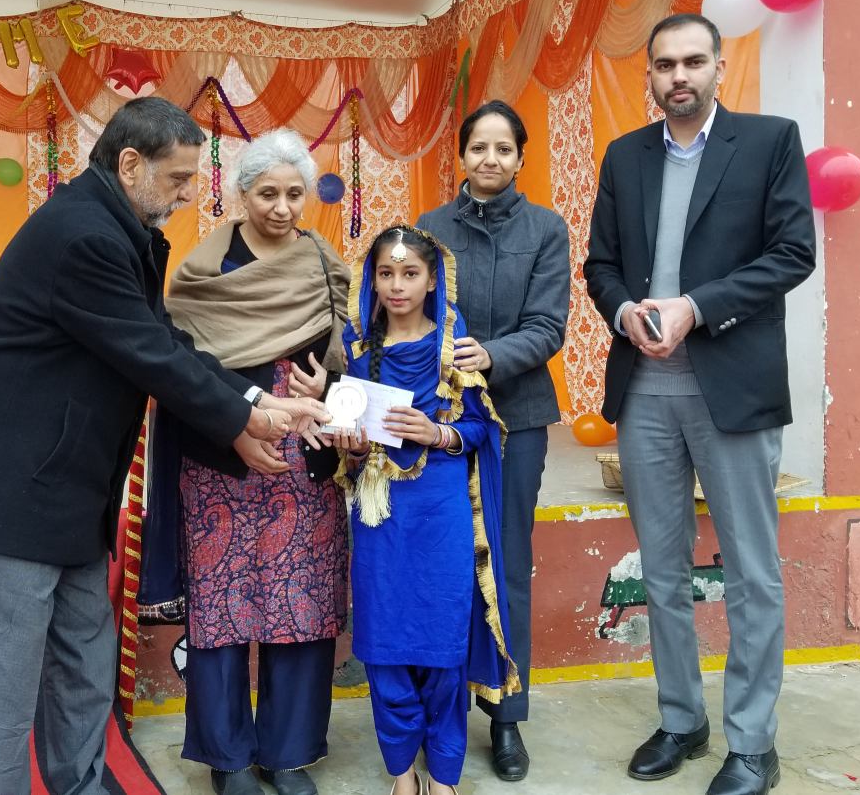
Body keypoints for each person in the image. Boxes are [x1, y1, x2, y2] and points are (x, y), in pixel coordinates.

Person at [0, 98, 327, 795]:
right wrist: (243, 420)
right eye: (177, 179)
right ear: (129, 164)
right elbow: (152, 357)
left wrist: (259, 400)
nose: (187, 195)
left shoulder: (119, 229)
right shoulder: (84, 236)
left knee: (85, 664)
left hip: (72, 488)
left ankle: (81, 785)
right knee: (6, 686)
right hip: (15, 493)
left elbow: (166, 341)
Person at [584, 14, 816, 795]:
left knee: (752, 573)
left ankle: (752, 744)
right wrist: (625, 311)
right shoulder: (626, 156)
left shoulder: (770, 141)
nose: (678, 75)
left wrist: (696, 306)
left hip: (733, 389)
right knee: (661, 571)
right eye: (664, 64)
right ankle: (682, 719)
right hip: (644, 393)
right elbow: (601, 265)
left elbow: (793, 253)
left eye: (692, 61)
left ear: (719, 65)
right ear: (649, 75)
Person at [141, 129, 351, 795]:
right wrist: (239, 415)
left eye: (294, 194)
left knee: (302, 605)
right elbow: (183, 359)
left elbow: (349, 348)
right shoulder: (206, 269)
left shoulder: (322, 263)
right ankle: (228, 758)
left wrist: (332, 388)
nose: (282, 208)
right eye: (267, 194)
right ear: (240, 193)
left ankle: (287, 754)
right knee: (220, 610)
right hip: (220, 454)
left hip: (304, 457)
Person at [332, 225, 519, 795]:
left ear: (433, 280)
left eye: (410, 273)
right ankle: (401, 774)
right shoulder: (357, 351)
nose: (397, 285)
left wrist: (437, 433)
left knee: (442, 649)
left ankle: (443, 776)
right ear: (372, 280)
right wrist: (352, 447)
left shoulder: (455, 350)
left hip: (442, 513)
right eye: (386, 274)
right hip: (381, 516)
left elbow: (483, 429)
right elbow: (348, 446)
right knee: (385, 647)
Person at [415, 99, 570, 781]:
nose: (490, 159)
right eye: (479, 146)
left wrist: (491, 355)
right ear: (462, 154)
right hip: (441, 418)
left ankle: (507, 717)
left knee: (505, 562)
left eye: (504, 148)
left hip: (518, 417)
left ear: (520, 158)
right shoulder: (429, 228)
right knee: (444, 562)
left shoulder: (546, 229)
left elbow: (548, 326)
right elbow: (409, 311)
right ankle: (439, 711)